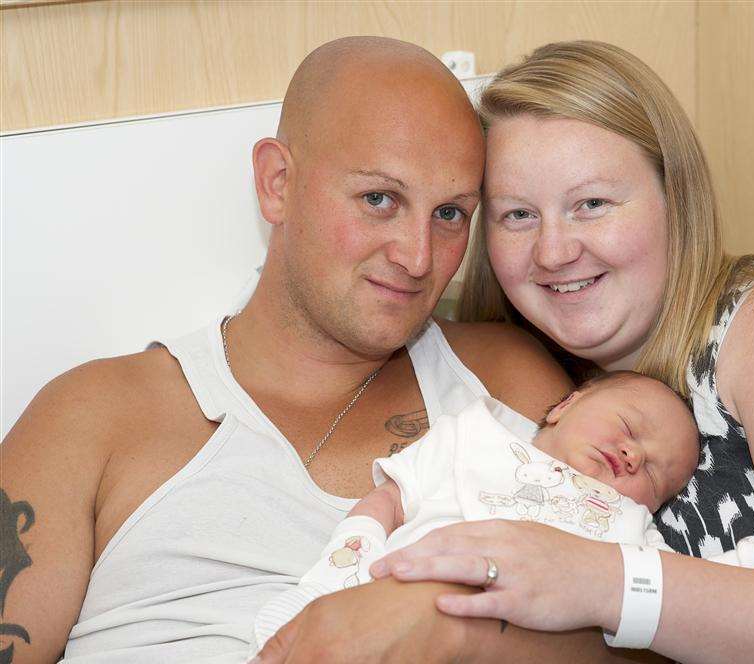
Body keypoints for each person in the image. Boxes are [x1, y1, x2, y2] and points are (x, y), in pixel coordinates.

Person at [1, 37, 657, 664]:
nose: (417, 257)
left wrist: (458, 635)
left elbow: (649, 623)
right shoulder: (96, 415)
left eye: (450, 213)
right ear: (276, 183)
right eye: (379, 199)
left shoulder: (504, 378)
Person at [364, 41, 754, 663]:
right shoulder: (539, 378)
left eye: (592, 204)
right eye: (518, 215)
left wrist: (602, 583)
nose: (554, 252)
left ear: (677, 200)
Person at [252, 371, 754, 650]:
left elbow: (677, 599)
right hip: (388, 601)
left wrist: (750, 562)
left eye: (656, 475)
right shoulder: (472, 436)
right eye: (630, 427)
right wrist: (337, 572)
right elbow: (389, 499)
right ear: (565, 404)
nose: (635, 455)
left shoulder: (627, 524)